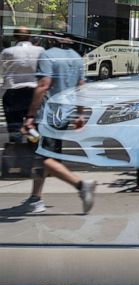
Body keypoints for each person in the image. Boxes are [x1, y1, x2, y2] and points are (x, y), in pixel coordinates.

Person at [20, 33, 96, 215]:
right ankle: (35, 198)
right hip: (63, 115)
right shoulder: (77, 58)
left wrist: (30, 115)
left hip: (46, 114)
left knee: (43, 158)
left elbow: (43, 85)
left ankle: (81, 185)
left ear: (52, 38)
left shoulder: (48, 55)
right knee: (45, 157)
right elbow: (81, 86)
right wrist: (79, 114)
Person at [0, 27, 45, 142]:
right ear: (30, 36)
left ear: (14, 37)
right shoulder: (40, 51)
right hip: (34, 93)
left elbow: (2, 71)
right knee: (33, 127)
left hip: (13, 92)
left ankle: (17, 153)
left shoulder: (7, 52)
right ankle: (32, 149)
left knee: (15, 128)